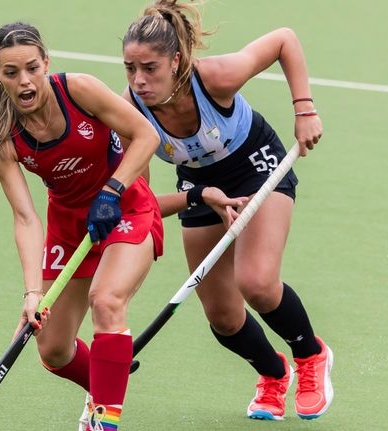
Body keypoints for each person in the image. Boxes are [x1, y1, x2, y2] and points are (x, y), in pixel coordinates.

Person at [0, 21, 245, 431]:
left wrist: (112, 191)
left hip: (126, 207)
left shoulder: (78, 90)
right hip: (69, 226)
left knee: (107, 300)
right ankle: (107, 377)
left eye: (31, 68)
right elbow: (26, 218)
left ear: (46, 63)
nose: (24, 81)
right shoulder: (2, 140)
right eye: (11, 72)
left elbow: (145, 135)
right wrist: (31, 294)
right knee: (53, 347)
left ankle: (104, 420)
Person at [118, 0, 333, 422]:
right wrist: (199, 198)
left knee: (256, 283)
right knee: (223, 315)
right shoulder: (131, 113)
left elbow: (283, 40)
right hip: (200, 186)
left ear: (176, 61)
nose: (139, 81)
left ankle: (311, 356)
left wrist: (304, 108)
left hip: (256, 164)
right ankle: (274, 374)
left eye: (150, 68)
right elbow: (141, 203)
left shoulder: (214, 76)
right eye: (130, 69)